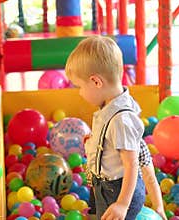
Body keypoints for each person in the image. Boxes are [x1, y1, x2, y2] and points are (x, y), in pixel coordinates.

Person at [65, 35, 166, 220]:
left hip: (117, 191)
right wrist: (96, 142)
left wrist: (122, 204)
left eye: (80, 86)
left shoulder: (121, 120)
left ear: (96, 82)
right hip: (104, 186)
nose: (80, 93)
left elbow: (132, 164)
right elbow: (112, 140)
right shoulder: (110, 105)